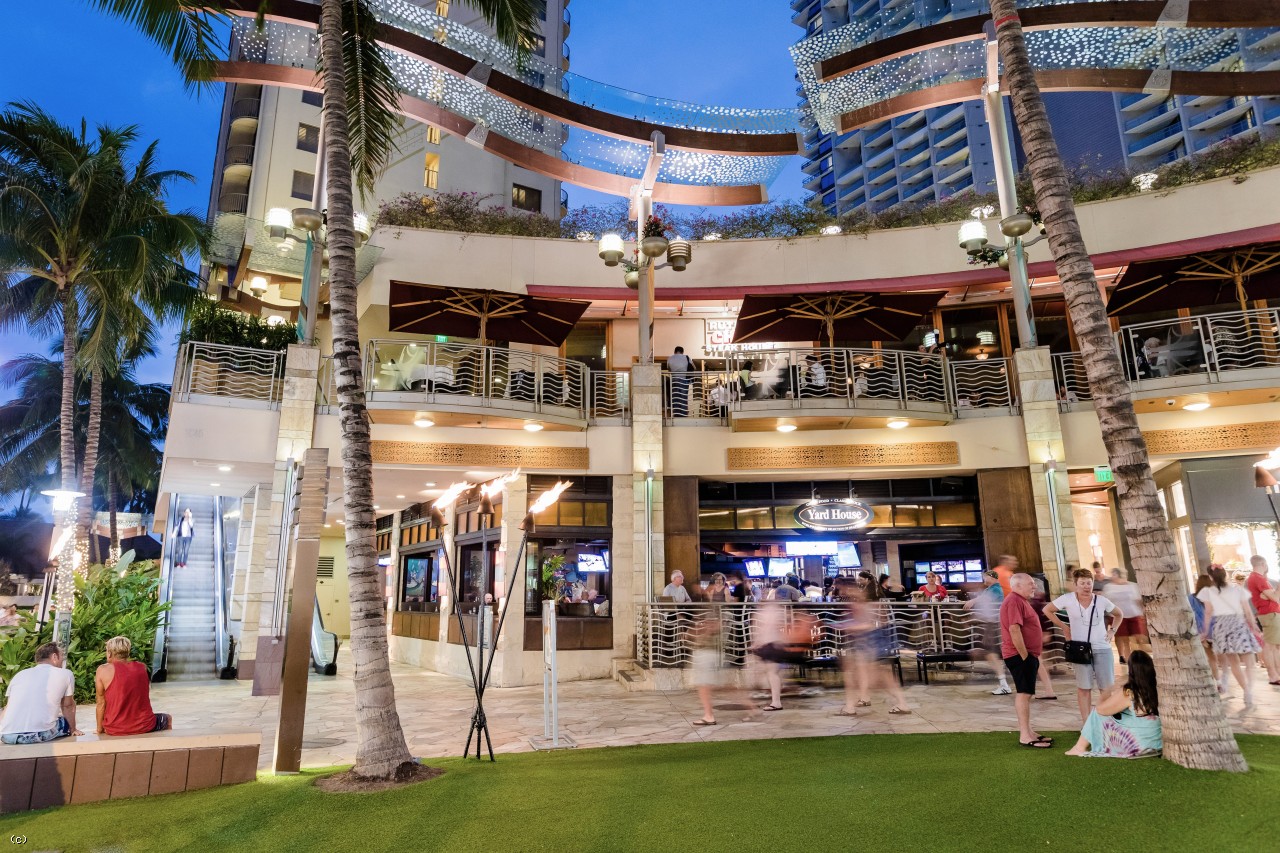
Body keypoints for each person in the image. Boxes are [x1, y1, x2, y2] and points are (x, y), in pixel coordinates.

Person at [1045, 568, 1122, 723]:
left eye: (1089, 583)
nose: (1087, 586)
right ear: (1076, 585)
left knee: (1106, 687)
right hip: (1080, 649)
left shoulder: (1101, 600)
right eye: (1082, 583)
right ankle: (1087, 723)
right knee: (1084, 687)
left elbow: (1119, 614)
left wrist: (1112, 630)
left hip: (1102, 648)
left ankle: (1106, 721)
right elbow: (1047, 610)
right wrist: (1064, 627)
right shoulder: (1067, 599)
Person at [1064, 649, 1162, 758]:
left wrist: (1110, 688)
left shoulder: (1129, 691)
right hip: (1155, 741)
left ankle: (1079, 747)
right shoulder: (1158, 685)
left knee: (1096, 713)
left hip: (1138, 744)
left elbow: (1100, 710)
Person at [837, 579, 911, 716]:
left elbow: (867, 623)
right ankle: (858, 701)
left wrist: (847, 626)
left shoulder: (858, 600)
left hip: (868, 642)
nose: (840, 591)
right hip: (868, 642)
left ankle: (852, 705)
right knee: (869, 676)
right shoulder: (861, 599)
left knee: (872, 677)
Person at [1198, 564, 1263, 709]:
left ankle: (1246, 690)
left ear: (1210, 577)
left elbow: (1208, 613)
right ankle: (1249, 689)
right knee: (1249, 661)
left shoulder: (1207, 592)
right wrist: (1254, 626)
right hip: (1238, 624)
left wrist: (1205, 631)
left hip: (1221, 627)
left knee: (1233, 662)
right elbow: (1247, 611)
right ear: (1225, 574)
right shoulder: (1238, 590)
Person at [1000, 573, 1051, 748]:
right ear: (1018, 586)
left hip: (1026, 655)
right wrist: (1025, 656)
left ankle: (1029, 731)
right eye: (1030, 583)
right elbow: (1014, 629)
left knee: (1027, 693)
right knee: (1024, 693)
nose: (1034, 586)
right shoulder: (1014, 601)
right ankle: (1024, 735)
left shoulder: (1019, 600)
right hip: (1019, 655)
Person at [0, 643, 81, 744]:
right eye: (62, 657)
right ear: (54, 657)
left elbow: (8, 707)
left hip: (7, 736)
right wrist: (73, 729)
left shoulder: (19, 675)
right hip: (38, 734)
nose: (63, 661)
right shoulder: (66, 674)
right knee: (65, 721)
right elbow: (67, 706)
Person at [95, 636, 171, 736]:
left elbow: (101, 703)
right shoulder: (142, 667)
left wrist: (99, 729)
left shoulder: (102, 670)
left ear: (109, 653)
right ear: (128, 652)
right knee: (167, 718)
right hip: (145, 726)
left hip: (114, 728)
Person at [965, 571, 1012, 696]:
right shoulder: (989, 589)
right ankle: (1003, 682)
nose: (984, 579)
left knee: (991, 654)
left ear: (992, 577)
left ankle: (1004, 684)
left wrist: (973, 601)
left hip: (993, 625)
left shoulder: (995, 589)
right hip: (990, 624)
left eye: (985, 577)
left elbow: (986, 600)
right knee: (989, 654)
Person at [1244, 555, 1280, 685]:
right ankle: (1273, 675)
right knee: (1270, 646)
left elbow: (1272, 596)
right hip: (1270, 614)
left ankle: (1276, 674)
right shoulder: (1258, 578)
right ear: (1263, 564)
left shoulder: (1255, 578)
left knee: (1275, 646)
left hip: (1270, 614)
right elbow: (1275, 597)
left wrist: (1270, 595)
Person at [689, 610, 724, 726]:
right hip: (704, 654)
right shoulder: (707, 617)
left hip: (707, 654)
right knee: (703, 687)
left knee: (704, 687)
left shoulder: (712, 619)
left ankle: (709, 716)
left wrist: (701, 628)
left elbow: (711, 630)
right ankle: (708, 715)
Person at [1105, 569, 1147, 662]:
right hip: (1118, 616)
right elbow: (1106, 602)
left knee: (1139, 638)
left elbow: (1138, 600)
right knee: (1125, 640)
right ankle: (1129, 661)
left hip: (1134, 615)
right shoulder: (1109, 587)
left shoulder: (1132, 586)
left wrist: (1143, 613)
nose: (1112, 576)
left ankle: (1142, 659)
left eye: (1114, 574)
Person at [667, 346, 692, 417]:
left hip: (674, 380)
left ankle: (676, 414)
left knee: (675, 398)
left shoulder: (670, 358)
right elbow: (693, 367)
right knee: (683, 397)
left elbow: (669, 368)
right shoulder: (686, 357)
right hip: (684, 380)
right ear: (682, 352)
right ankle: (683, 415)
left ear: (674, 351)